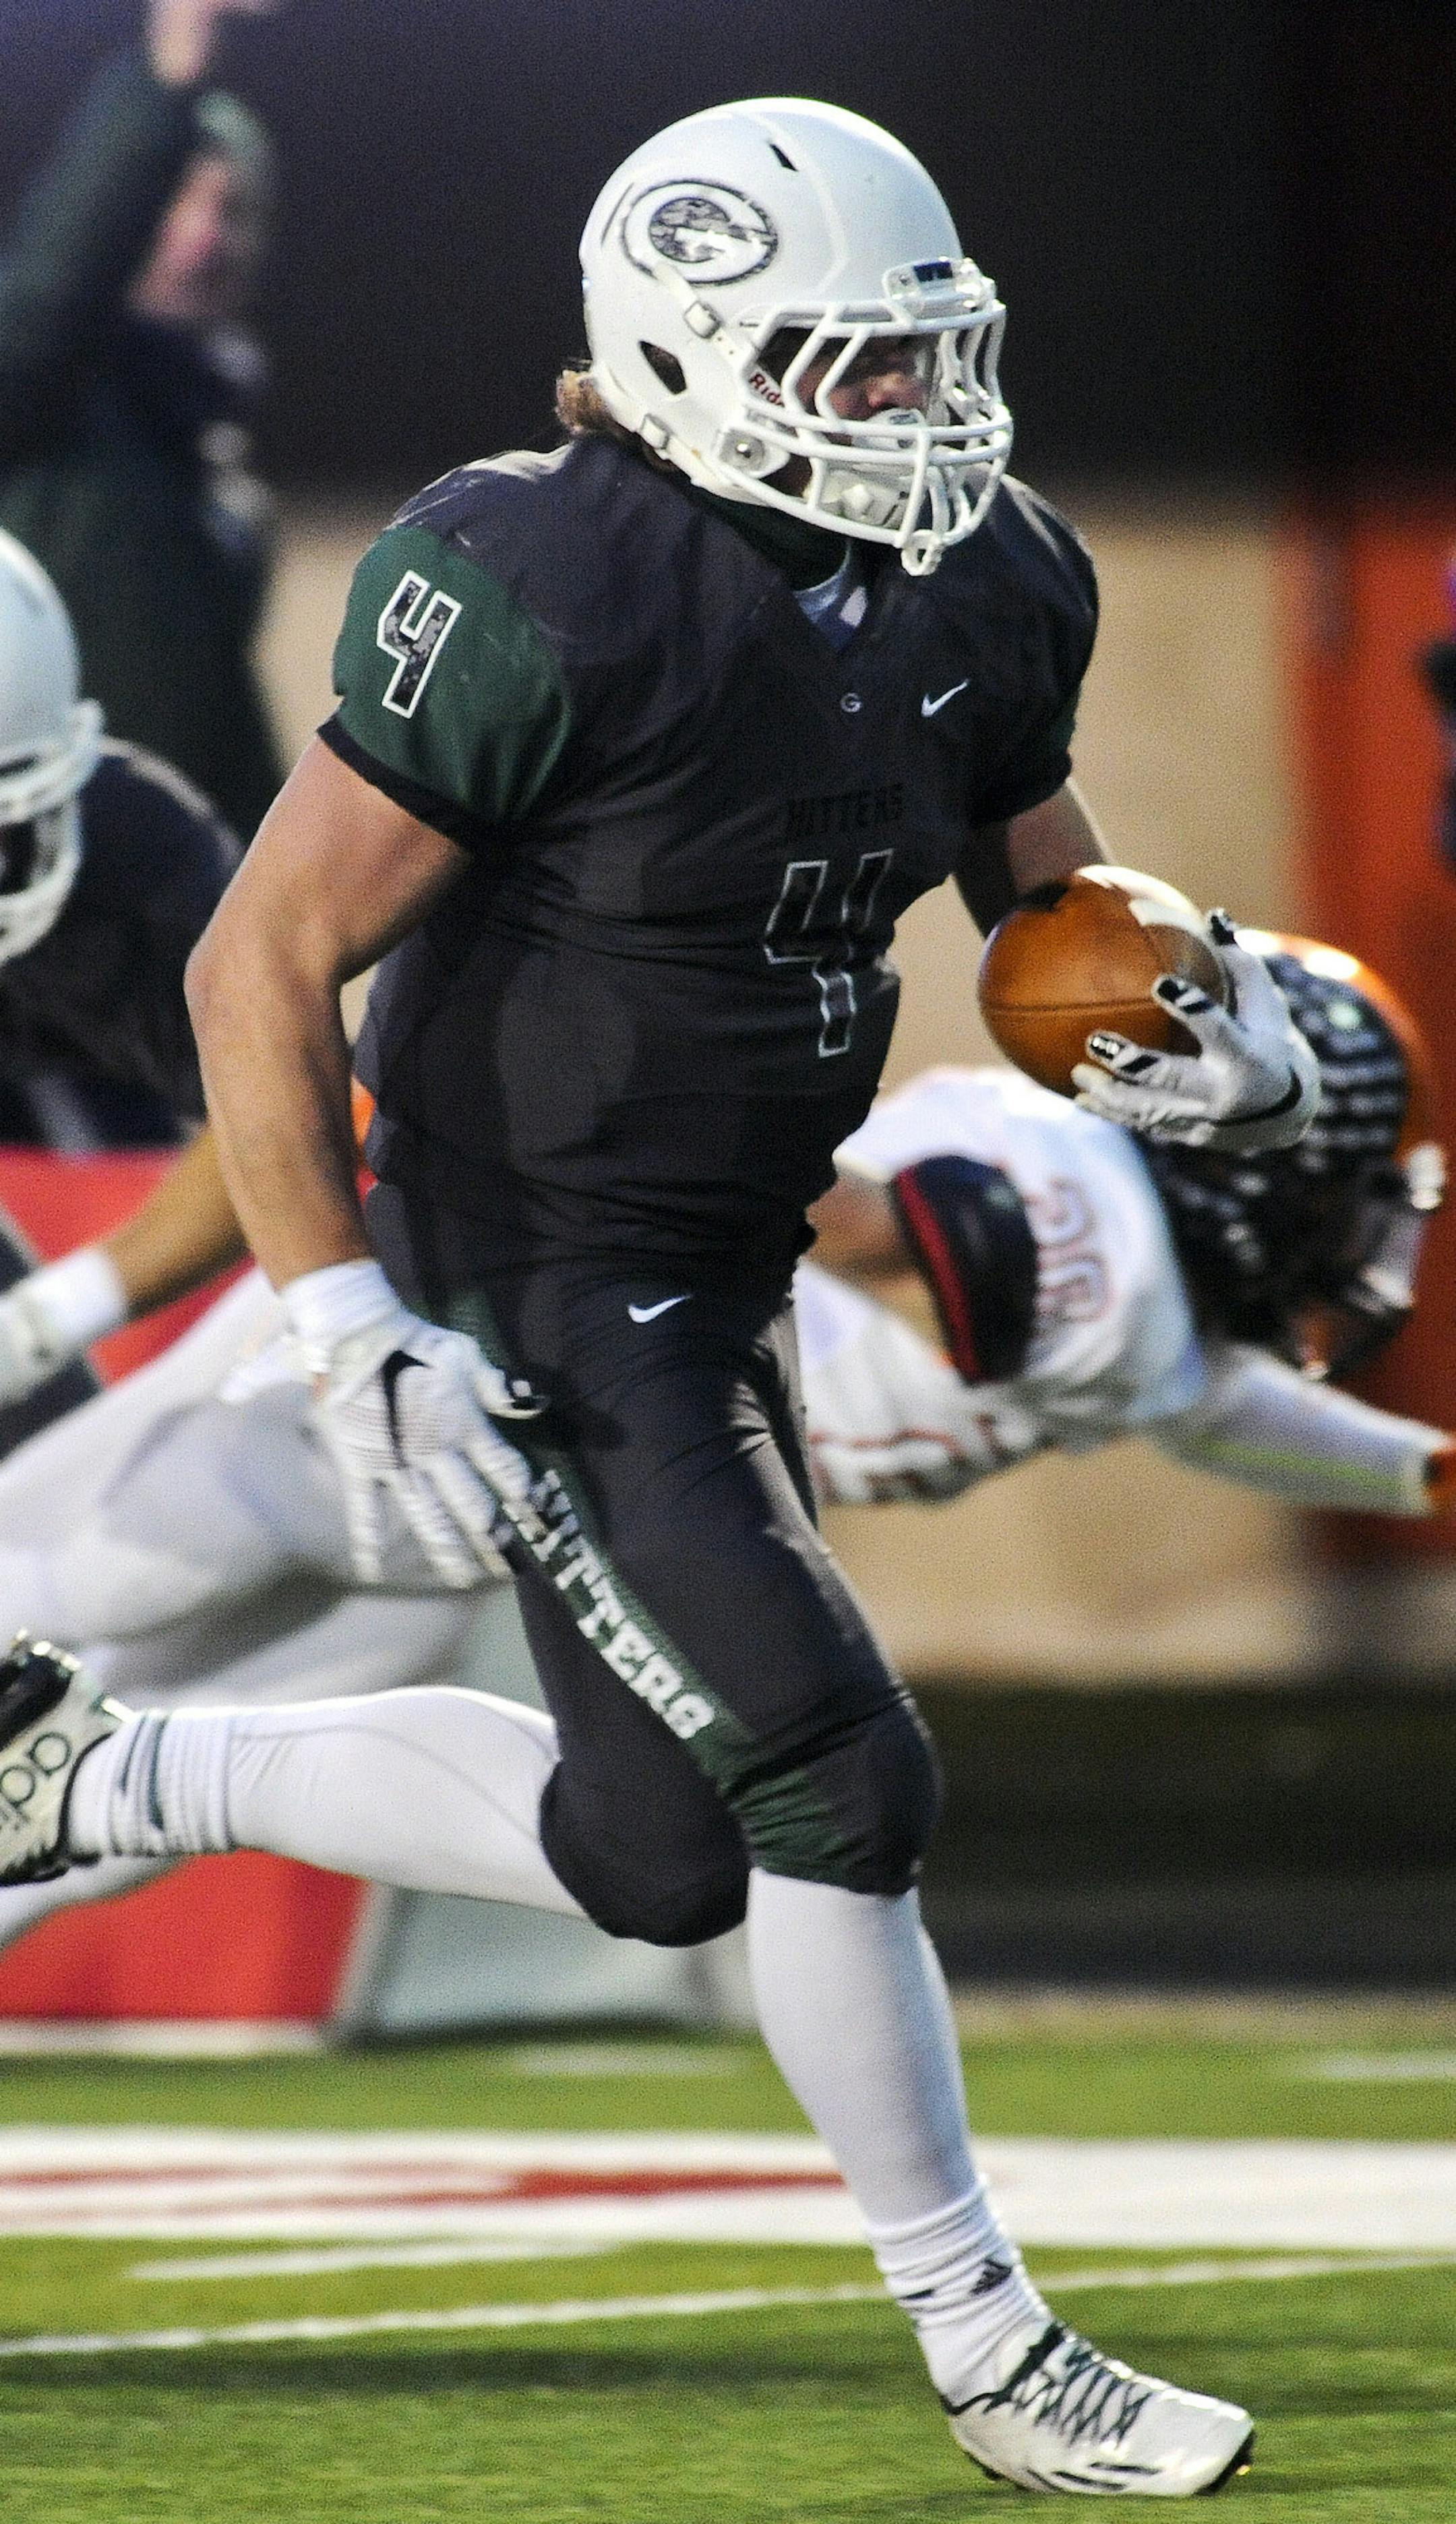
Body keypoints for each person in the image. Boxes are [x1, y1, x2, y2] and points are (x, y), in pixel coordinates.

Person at [0, 98, 1331, 2494]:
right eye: (850, 369)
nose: (913, 417)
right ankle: (994, 2348)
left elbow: (1035, 899)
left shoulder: (995, 576)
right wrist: (335, 1310)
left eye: (936, 363)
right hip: (527, 1257)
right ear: (689, 352)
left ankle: (94, 1768)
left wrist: (1173, 1018)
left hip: (710, 1255)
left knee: (661, 1853)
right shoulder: (536, 573)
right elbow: (264, 948)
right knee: (832, 1765)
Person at [0, 933, 1443, 1978]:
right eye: (1332, 1177)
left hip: (514, 1483)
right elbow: (880, 1224)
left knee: (122, 1769)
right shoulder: (1095, 1254)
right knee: (51, 1591)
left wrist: (1415, 1474)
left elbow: (1212, 1407)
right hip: (436, 1393)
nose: (1350, 1233)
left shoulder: (1145, 1315)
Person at [0, 0, 285, 841]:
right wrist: (171, 66)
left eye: (231, 211)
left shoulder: (223, 491)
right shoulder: (46, 406)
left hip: (158, 932)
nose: (204, 241)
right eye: (175, 204)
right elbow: (50, 301)